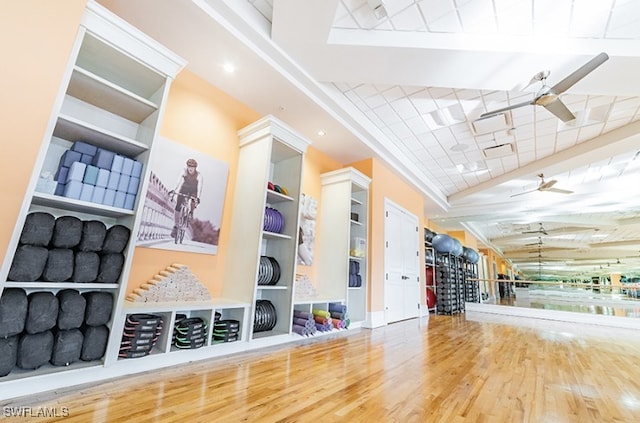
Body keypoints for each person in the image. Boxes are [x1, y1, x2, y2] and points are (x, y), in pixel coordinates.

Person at [169, 158, 203, 238]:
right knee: (177, 206)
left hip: (194, 191)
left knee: (193, 201)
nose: (190, 168)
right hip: (184, 188)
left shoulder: (199, 175)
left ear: (195, 168)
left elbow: (200, 187)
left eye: (192, 167)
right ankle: (176, 226)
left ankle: (191, 212)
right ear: (187, 166)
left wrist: (198, 197)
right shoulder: (184, 171)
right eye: (189, 166)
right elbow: (178, 181)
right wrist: (174, 189)